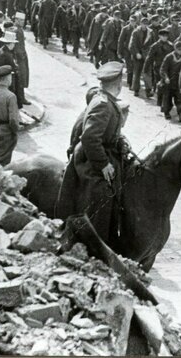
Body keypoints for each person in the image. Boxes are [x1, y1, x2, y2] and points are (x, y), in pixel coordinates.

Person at [56, 62, 131, 245]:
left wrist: (120, 141)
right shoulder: (103, 104)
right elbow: (90, 137)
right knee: (103, 193)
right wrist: (103, 164)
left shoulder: (105, 100)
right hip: (89, 159)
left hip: (101, 151)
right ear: (118, 83)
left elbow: (107, 131)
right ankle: (95, 242)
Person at [0, 31, 25, 107]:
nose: (14, 45)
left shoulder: (0, 50)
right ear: (10, 43)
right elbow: (12, 67)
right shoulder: (7, 54)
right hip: (7, 81)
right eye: (13, 43)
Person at [160, 41, 181, 121]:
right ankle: (166, 112)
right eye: (179, 49)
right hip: (169, 81)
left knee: (180, 98)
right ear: (175, 49)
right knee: (167, 98)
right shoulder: (169, 57)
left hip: (179, 81)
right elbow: (163, 69)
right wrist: (166, 78)